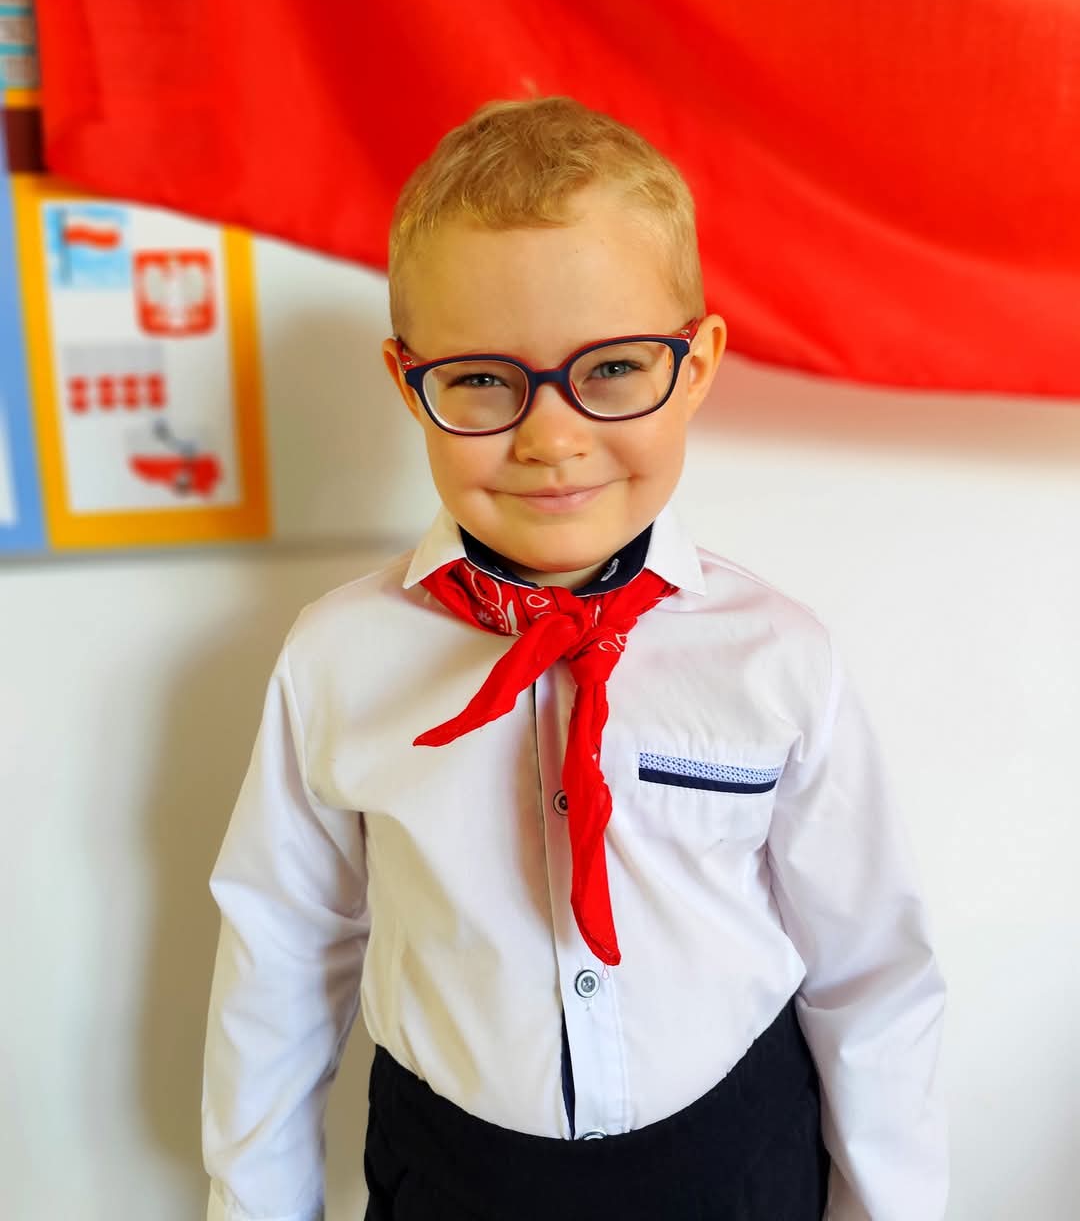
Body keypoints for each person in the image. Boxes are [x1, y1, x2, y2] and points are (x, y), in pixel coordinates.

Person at [202, 97, 947, 1221]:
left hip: (736, 1164)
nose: (552, 438)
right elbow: (282, 956)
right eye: (482, 379)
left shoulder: (778, 656)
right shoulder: (336, 660)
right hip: (454, 1175)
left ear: (696, 364)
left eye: (611, 369)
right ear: (409, 382)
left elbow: (871, 972)